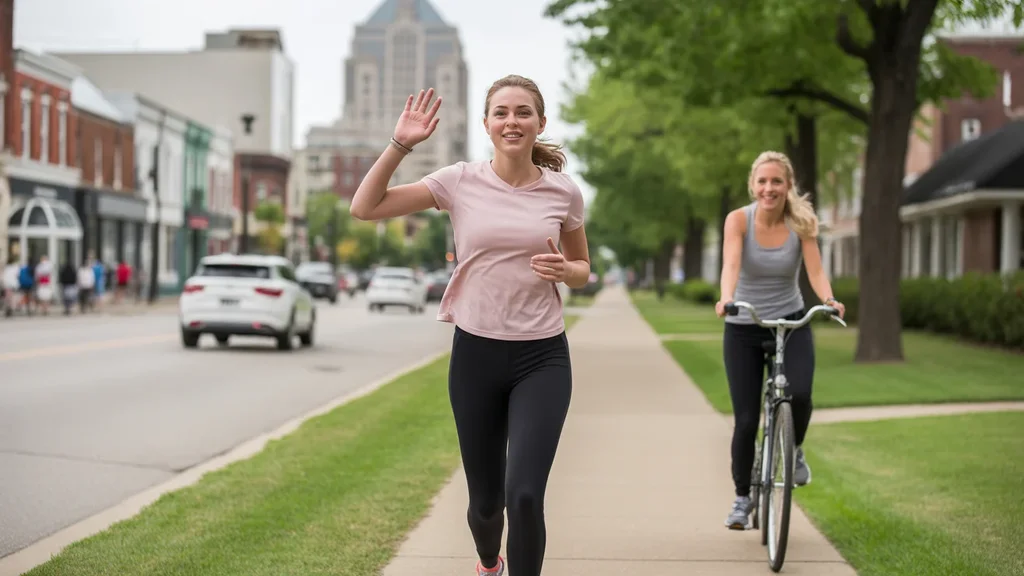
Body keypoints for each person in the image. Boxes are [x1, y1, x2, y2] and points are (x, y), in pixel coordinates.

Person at [349, 76, 591, 576]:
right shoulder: (459, 180)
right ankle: (488, 563)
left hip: (541, 357)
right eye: (501, 112)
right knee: (486, 504)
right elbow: (364, 207)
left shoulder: (563, 192)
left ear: (540, 123)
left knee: (524, 495)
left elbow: (583, 269)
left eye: (523, 112)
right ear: (486, 124)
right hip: (477, 356)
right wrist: (400, 145)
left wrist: (567, 272)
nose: (512, 121)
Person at [714, 150, 846, 530]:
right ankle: (742, 500)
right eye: (762, 181)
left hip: (791, 321)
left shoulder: (802, 221)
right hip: (744, 324)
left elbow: (816, 270)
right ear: (752, 186)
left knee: (800, 394)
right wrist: (726, 297)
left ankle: (795, 449)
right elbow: (732, 263)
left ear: (788, 186)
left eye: (777, 181)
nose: (769, 188)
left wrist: (828, 300)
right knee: (745, 420)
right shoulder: (738, 219)